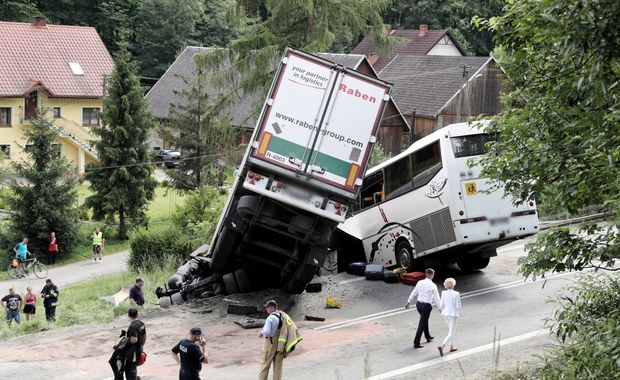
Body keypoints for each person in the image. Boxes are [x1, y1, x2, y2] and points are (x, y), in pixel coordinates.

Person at [404, 268, 440, 349]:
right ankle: (416, 342)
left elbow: (414, 292)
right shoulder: (433, 286)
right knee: (422, 323)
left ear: (426, 274)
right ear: (432, 275)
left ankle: (428, 336)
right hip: (426, 306)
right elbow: (437, 299)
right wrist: (440, 309)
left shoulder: (419, 282)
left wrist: (408, 301)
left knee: (424, 320)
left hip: (419, 305)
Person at [258, 299, 288, 380]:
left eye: (267, 307)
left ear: (272, 308)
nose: (266, 309)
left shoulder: (270, 318)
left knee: (264, 365)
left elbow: (267, 332)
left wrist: (262, 333)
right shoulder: (282, 315)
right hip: (280, 343)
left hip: (270, 342)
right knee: (278, 367)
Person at [116, 308, 147, 380]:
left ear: (128, 315)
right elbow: (144, 335)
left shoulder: (132, 326)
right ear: (137, 314)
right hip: (139, 348)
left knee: (130, 369)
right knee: (133, 366)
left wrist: (124, 341)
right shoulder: (141, 323)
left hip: (134, 351)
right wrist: (142, 345)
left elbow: (134, 339)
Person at [437, 277, 462, 356]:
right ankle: (442, 345)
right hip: (453, 315)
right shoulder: (456, 294)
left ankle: (452, 346)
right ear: (453, 284)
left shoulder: (443, 293)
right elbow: (458, 306)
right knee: (451, 332)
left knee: (450, 331)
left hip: (445, 314)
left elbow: (441, 305)